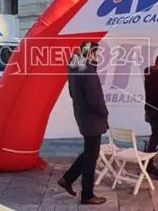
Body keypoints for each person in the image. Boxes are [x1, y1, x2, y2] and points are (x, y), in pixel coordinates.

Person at [57, 41, 108, 205]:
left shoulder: (75, 68)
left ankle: (67, 179)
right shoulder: (88, 70)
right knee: (91, 157)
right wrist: (104, 112)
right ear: (90, 53)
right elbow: (95, 99)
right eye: (96, 53)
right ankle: (87, 195)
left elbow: (72, 93)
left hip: (82, 115)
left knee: (90, 152)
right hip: (93, 118)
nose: (98, 56)